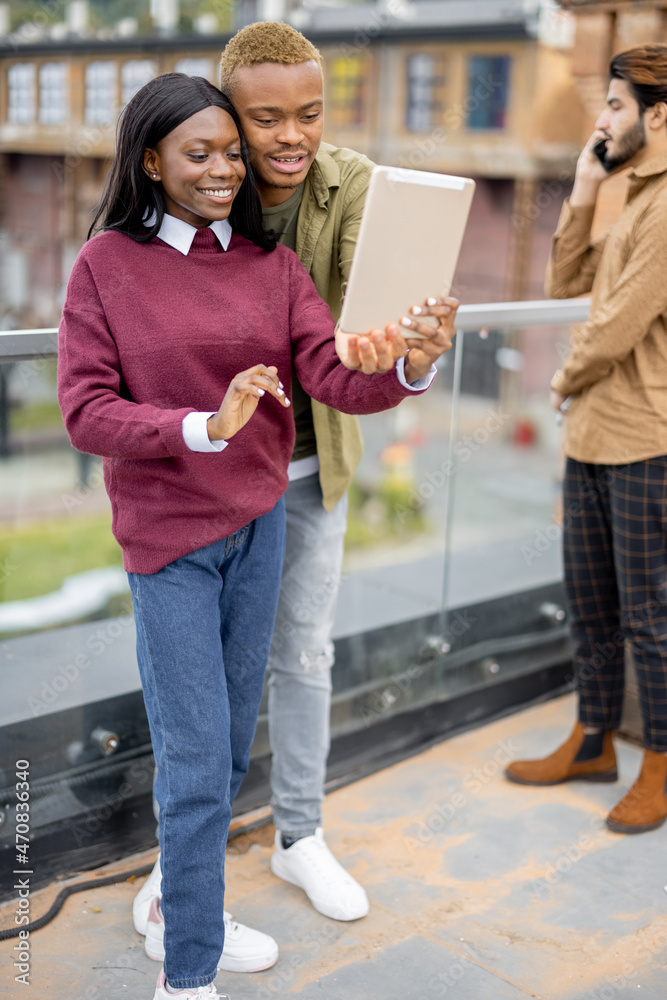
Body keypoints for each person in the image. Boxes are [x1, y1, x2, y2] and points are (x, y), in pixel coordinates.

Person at [58, 73, 452, 999]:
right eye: (200, 154)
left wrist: (410, 364)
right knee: (196, 762)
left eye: (231, 153)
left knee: (230, 748)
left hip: (259, 529)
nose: (224, 170)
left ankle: (177, 908)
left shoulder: (274, 268)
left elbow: (332, 377)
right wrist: (205, 425)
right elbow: (84, 411)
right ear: (149, 160)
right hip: (171, 547)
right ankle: (187, 976)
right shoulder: (105, 267)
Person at [506, 44, 667, 835]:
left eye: (613, 105)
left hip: (645, 440)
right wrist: (583, 187)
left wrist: (558, 382)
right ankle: (592, 739)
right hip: (593, 438)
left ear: (657, 114)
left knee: (650, 617)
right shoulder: (633, 196)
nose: (600, 119)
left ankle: (658, 769)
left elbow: (615, 326)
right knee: (591, 606)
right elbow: (565, 285)